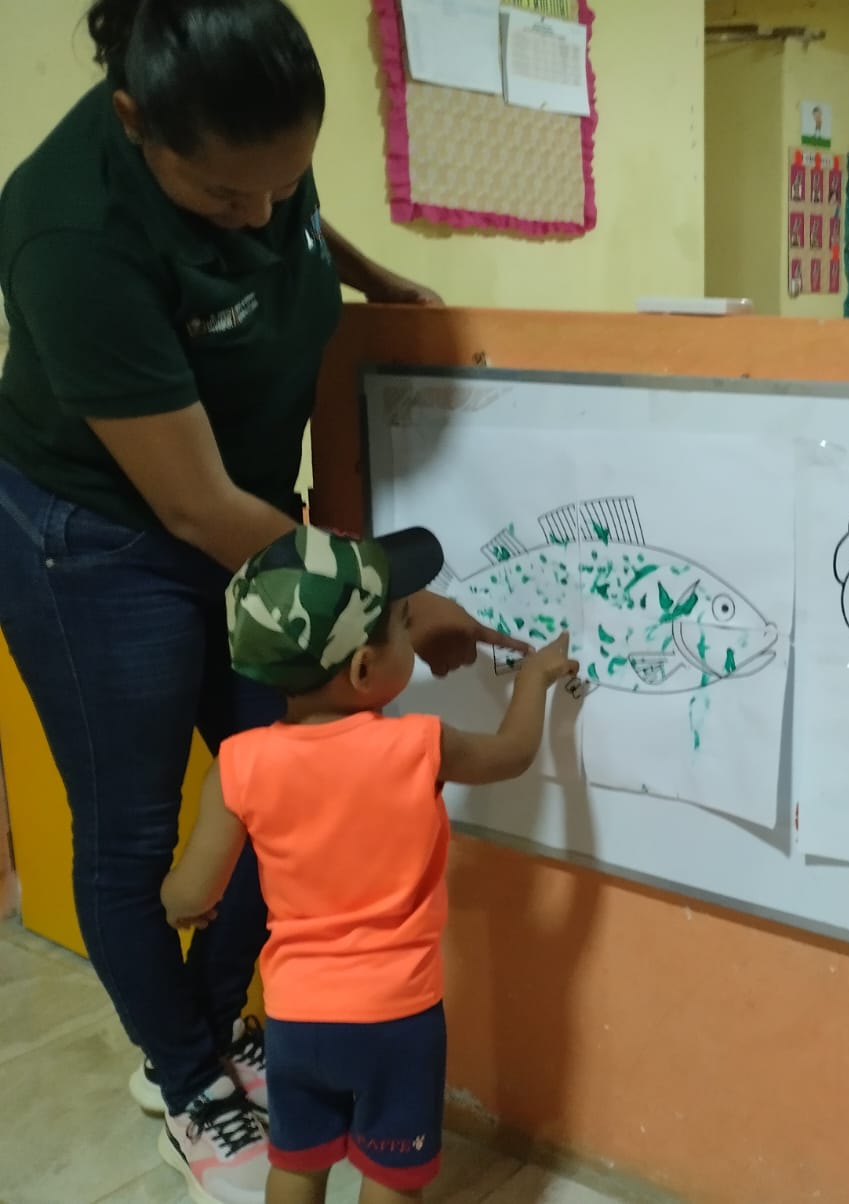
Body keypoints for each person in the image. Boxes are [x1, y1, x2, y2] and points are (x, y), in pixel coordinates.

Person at [0, 3, 526, 1201]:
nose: (261, 213)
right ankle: (188, 1078)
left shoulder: (251, 137)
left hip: (247, 515)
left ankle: (208, 1026)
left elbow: (287, 212)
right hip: (98, 541)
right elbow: (192, 507)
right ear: (135, 122)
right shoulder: (68, 234)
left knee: (284, 771)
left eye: (284, 183)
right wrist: (392, 600)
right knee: (133, 834)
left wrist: (371, 277)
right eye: (227, 197)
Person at [160, 525, 578, 1203]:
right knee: (390, 1176)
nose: (412, 637)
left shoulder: (238, 764)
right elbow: (512, 753)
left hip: (297, 1018)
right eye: (405, 628)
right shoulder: (421, 746)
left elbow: (190, 892)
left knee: (297, 1162)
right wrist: (534, 679)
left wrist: (184, 904)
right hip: (398, 1019)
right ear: (362, 669)